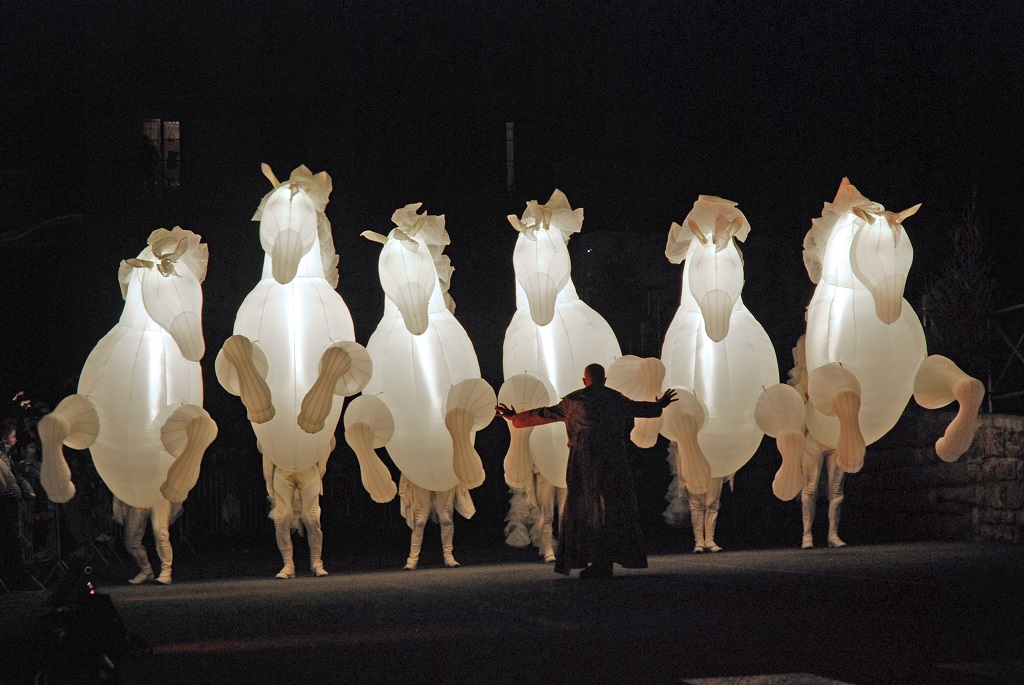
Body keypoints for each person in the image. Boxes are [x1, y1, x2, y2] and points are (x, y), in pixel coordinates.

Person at [496, 363, 677, 579]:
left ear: (584, 381)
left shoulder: (574, 401)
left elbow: (544, 414)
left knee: (586, 508)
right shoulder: (614, 398)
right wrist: (659, 405)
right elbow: (640, 408)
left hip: (585, 461)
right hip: (613, 461)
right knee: (610, 507)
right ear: (605, 380)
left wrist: (515, 417)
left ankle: (597, 560)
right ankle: (605, 561)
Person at [266, 457, 328, 579]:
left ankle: (316, 562)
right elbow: (267, 450)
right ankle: (288, 564)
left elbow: (325, 447)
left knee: (312, 517)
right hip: (283, 467)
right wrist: (269, 479)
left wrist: (320, 472)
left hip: (308, 467)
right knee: (282, 518)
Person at [399, 474, 475, 570]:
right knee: (420, 521)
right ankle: (413, 558)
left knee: (446, 518)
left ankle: (448, 555)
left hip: (443, 474)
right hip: (421, 474)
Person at [114, 496, 180, 584]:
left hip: (159, 494)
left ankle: (166, 571)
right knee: (131, 541)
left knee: (160, 533)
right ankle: (146, 570)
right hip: (139, 495)